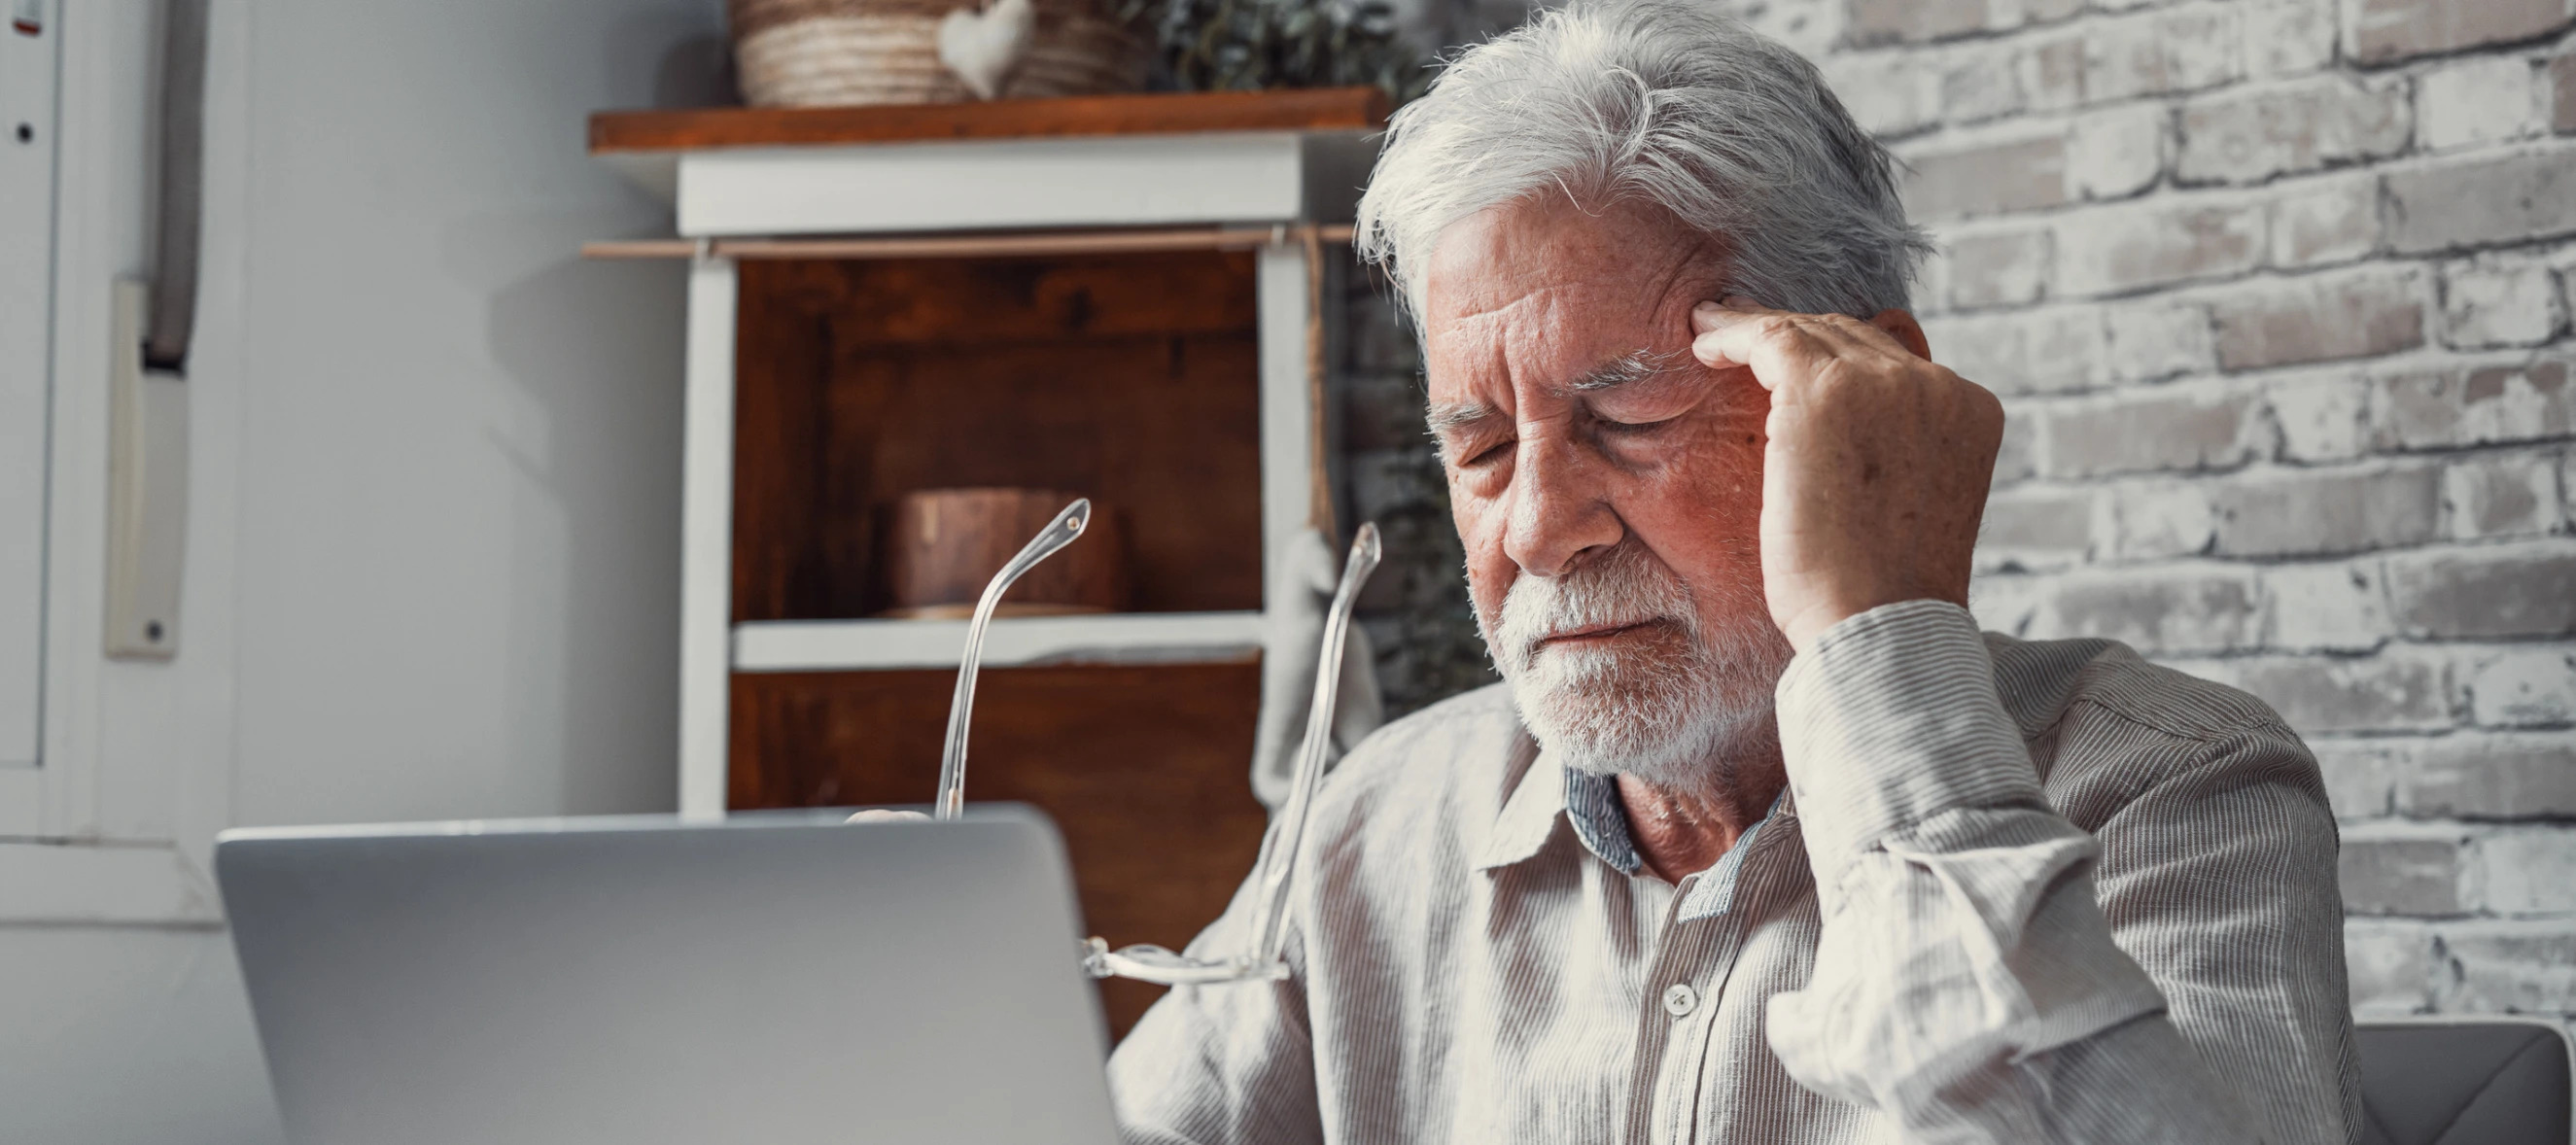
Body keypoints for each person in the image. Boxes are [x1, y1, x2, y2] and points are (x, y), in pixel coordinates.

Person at [1104, 1, 2356, 1141]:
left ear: (1864, 396)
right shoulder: (1374, 827)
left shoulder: (2173, 790)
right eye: (1479, 444)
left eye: (1631, 416)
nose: (1538, 529)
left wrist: (1882, 636)